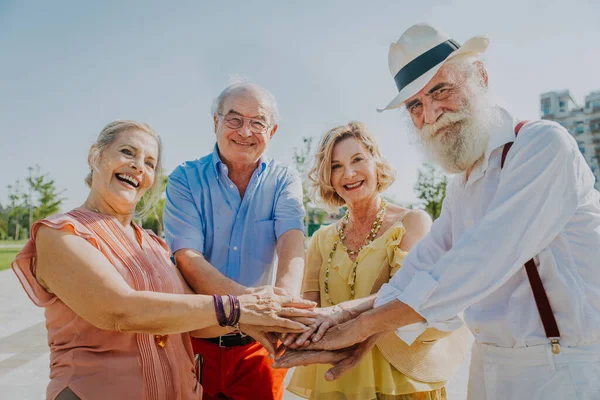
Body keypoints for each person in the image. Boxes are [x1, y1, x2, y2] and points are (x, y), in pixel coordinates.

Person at [273, 24, 600, 400]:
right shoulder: (462, 185)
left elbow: (478, 262)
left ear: (480, 76)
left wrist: (361, 327)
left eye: (441, 90)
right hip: (489, 367)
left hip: (562, 370)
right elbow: (425, 266)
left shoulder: (542, 146)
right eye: (415, 105)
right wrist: (345, 315)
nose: (432, 113)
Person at [12, 120, 315, 400]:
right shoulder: (60, 234)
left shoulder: (155, 246)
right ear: (95, 156)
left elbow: (194, 323)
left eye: (149, 163)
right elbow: (120, 310)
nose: (137, 166)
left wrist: (266, 322)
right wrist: (240, 307)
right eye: (127, 152)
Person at [282, 121, 470, 400]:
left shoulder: (412, 222)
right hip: (338, 382)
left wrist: (345, 322)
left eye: (357, 159)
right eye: (336, 166)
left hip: (402, 380)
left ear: (376, 162)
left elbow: (406, 300)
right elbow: (310, 310)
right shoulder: (321, 239)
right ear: (328, 177)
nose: (348, 173)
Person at [163, 82, 306, 400]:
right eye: (234, 119)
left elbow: (292, 241)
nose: (245, 131)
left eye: (258, 122)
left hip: (259, 348)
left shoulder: (285, 179)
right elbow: (187, 257)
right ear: (216, 122)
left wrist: (283, 304)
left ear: (273, 131)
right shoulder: (184, 179)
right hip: (196, 344)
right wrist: (247, 308)